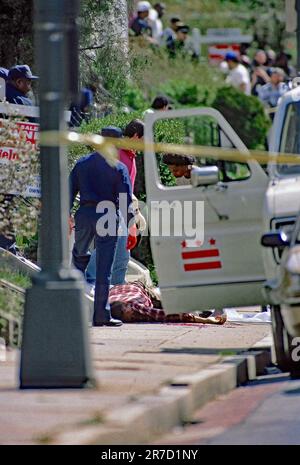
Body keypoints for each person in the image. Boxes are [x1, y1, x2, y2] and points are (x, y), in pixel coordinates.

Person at [69, 147, 135, 327]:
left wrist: (67, 214)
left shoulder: (82, 163)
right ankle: (101, 315)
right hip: (108, 215)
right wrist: (129, 226)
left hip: (84, 214)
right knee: (104, 269)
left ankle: (73, 311)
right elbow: (125, 201)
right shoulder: (118, 167)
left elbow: (68, 191)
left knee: (78, 261)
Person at [109, 281, 227, 324]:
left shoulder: (134, 307)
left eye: (129, 316)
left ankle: (202, 311)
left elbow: (166, 315)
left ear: (126, 307)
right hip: (129, 287)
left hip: (144, 291)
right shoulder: (109, 304)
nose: (132, 317)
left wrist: (205, 321)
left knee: (171, 304)